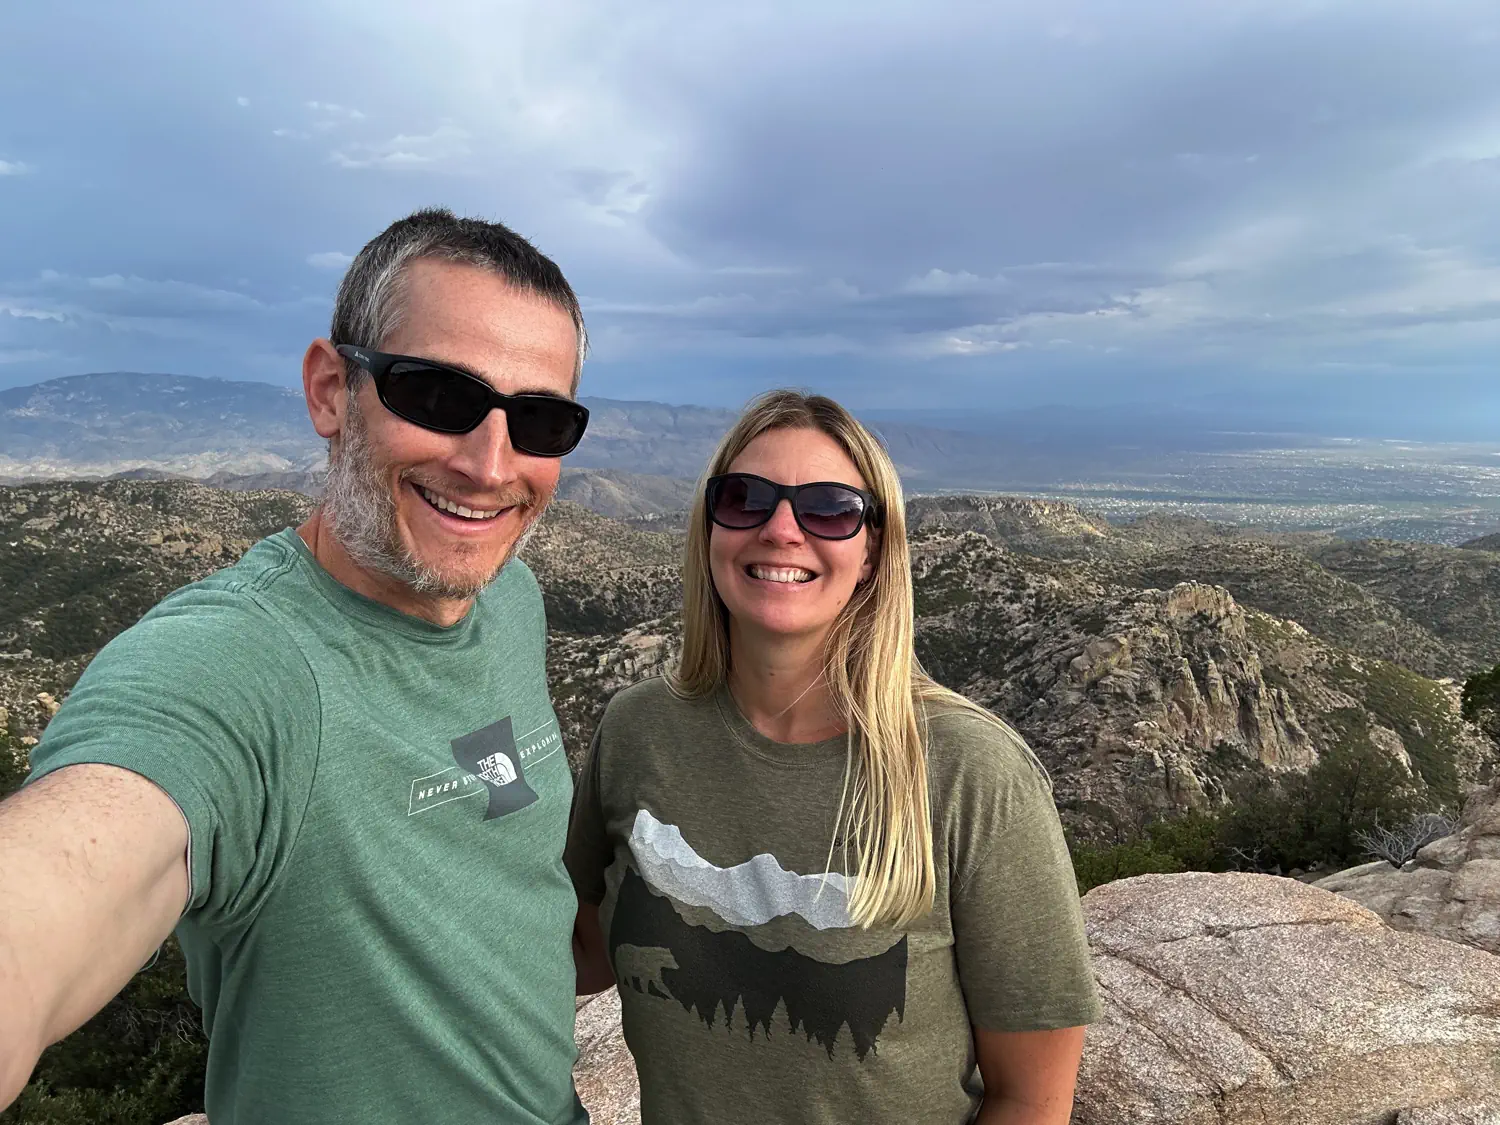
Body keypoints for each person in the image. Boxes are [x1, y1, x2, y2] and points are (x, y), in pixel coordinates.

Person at [0, 209, 595, 1124]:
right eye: (439, 396)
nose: (490, 462)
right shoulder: (243, 665)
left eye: (541, 420)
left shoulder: (511, 602)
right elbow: (60, 879)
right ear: (330, 390)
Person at [566, 390, 1101, 1124]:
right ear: (710, 525)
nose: (781, 529)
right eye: (746, 498)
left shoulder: (972, 773)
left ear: (873, 548)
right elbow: (581, 950)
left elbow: (1032, 1099)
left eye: (828, 508)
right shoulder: (636, 732)